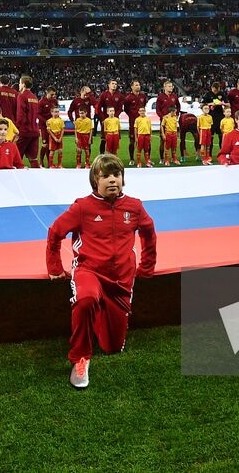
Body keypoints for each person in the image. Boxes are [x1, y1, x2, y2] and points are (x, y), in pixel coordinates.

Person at [46, 154, 156, 389]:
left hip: (121, 279)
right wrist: (55, 267)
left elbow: (149, 233)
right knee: (86, 299)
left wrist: (147, 266)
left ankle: (99, 315)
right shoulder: (83, 207)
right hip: (89, 271)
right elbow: (55, 232)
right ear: (95, 180)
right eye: (105, 176)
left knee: (113, 347)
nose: (112, 180)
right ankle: (80, 358)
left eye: (116, 175)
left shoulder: (134, 206)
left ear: (123, 179)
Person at [15, 75, 41, 168]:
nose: (19, 85)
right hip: (35, 131)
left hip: (25, 131)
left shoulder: (21, 96)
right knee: (33, 159)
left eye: (19, 83)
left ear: (23, 84)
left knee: (16, 158)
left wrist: (16, 130)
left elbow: (20, 115)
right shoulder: (34, 97)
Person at [96, 80, 123, 155]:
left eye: (116, 84)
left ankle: (114, 156)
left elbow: (120, 108)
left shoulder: (119, 96)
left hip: (114, 121)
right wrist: (102, 119)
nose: (114, 85)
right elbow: (99, 108)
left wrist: (115, 117)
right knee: (104, 138)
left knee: (115, 139)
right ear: (109, 85)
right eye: (113, 83)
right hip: (105, 120)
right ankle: (101, 155)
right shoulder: (104, 95)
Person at [38, 88, 60, 167]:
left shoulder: (55, 101)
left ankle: (49, 163)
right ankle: (40, 162)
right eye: (51, 94)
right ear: (46, 93)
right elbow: (38, 114)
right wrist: (45, 121)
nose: (53, 96)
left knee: (50, 145)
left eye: (54, 94)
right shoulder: (41, 102)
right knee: (45, 144)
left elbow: (57, 112)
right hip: (44, 126)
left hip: (52, 126)